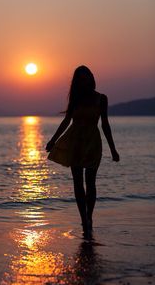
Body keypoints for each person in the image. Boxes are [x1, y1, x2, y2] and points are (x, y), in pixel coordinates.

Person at [46, 65, 119, 238]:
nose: (83, 79)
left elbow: (105, 125)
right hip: (75, 142)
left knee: (91, 183)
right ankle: (84, 220)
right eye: (79, 77)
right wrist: (53, 139)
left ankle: (89, 217)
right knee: (78, 183)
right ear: (77, 81)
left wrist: (113, 149)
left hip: (93, 142)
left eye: (85, 76)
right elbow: (66, 121)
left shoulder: (101, 99)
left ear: (91, 77)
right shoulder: (76, 99)